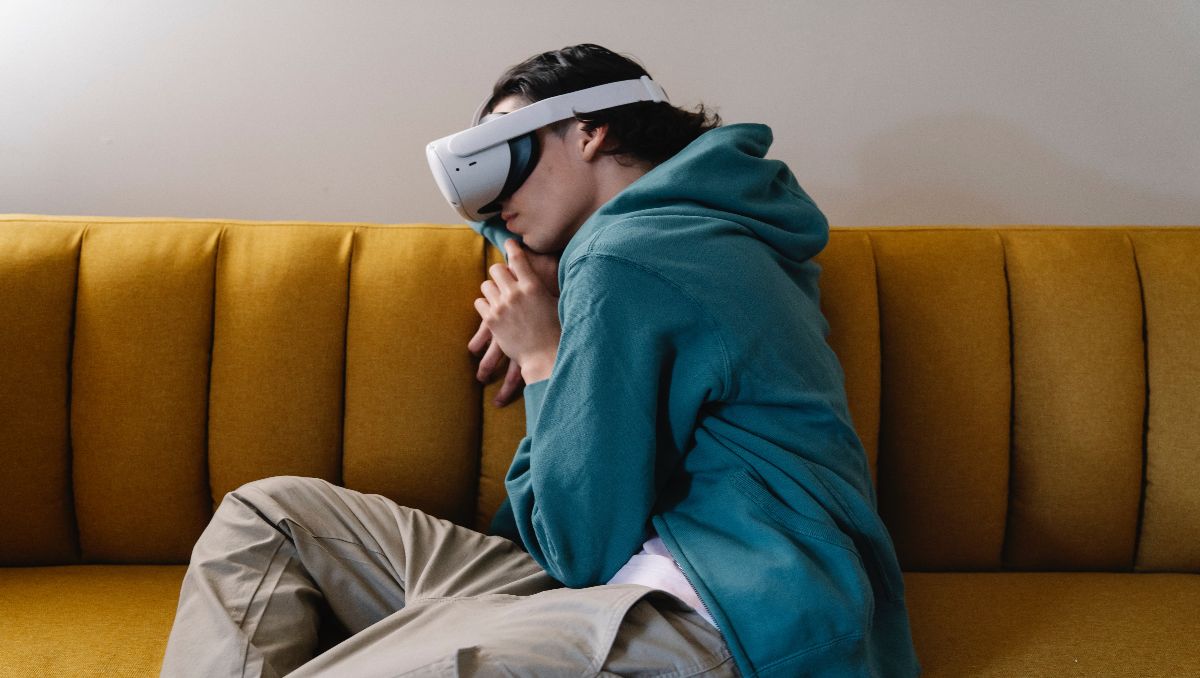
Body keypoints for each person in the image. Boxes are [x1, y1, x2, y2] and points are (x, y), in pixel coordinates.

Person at [160, 43, 921, 677]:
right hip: (622, 579)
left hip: (722, 608)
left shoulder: (632, 256)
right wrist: (544, 258)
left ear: (588, 130)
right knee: (269, 515)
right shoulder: (694, 223)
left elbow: (578, 546)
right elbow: (514, 221)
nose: (491, 205)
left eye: (503, 150)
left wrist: (543, 355)